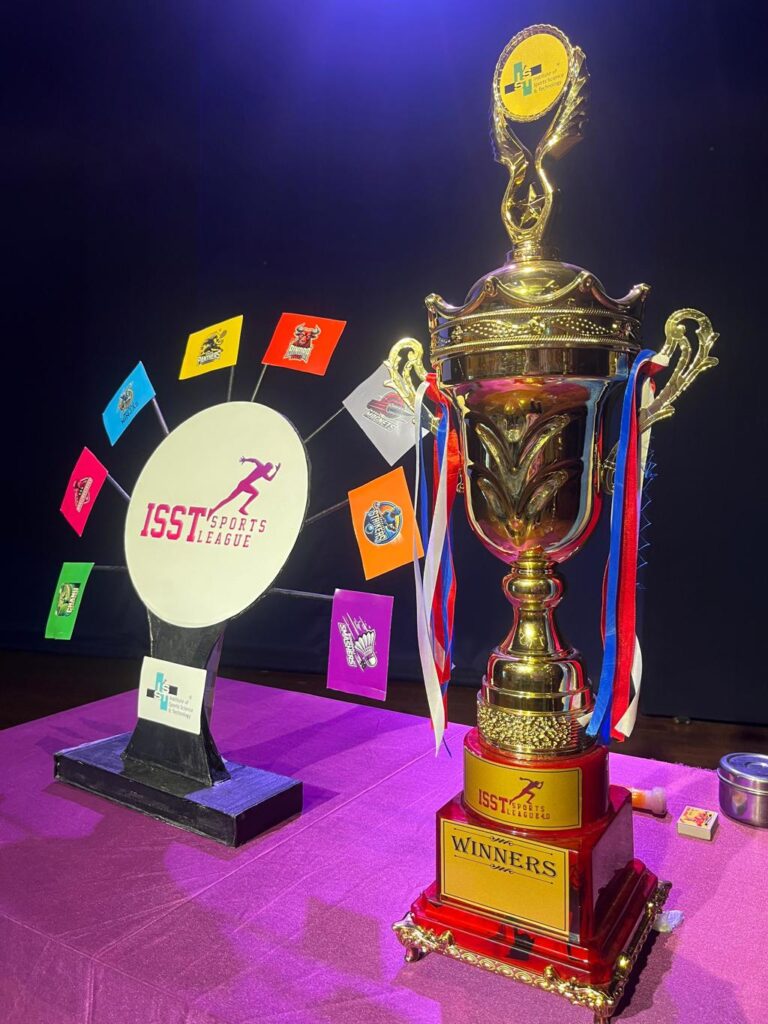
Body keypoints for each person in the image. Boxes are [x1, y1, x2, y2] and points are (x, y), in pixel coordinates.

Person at [208, 457, 281, 516]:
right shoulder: (261, 468)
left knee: (231, 498)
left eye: (269, 470)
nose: (269, 471)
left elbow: (268, 478)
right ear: (266, 467)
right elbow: (255, 460)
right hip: (244, 484)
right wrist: (245, 459)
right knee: (230, 498)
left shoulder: (263, 472)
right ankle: (215, 510)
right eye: (269, 469)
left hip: (244, 484)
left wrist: (245, 460)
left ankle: (214, 510)